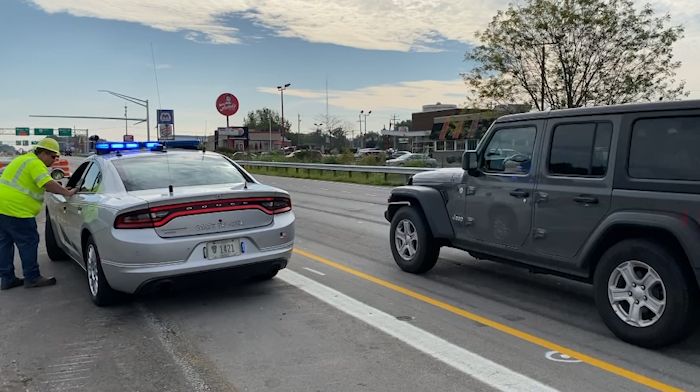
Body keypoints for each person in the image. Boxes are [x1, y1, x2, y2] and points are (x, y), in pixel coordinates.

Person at [0, 138, 77, 290]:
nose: (55, 160)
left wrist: (57, 188)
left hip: (2, 209)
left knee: (4, 244)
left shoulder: (23, 159)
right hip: (18, 211)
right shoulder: (35, 163)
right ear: (43, 153)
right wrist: (67, 192)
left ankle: (7, 279)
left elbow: (38, 184)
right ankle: (32, 277)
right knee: (28, 243)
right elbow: (47, 183)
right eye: (53, 157)